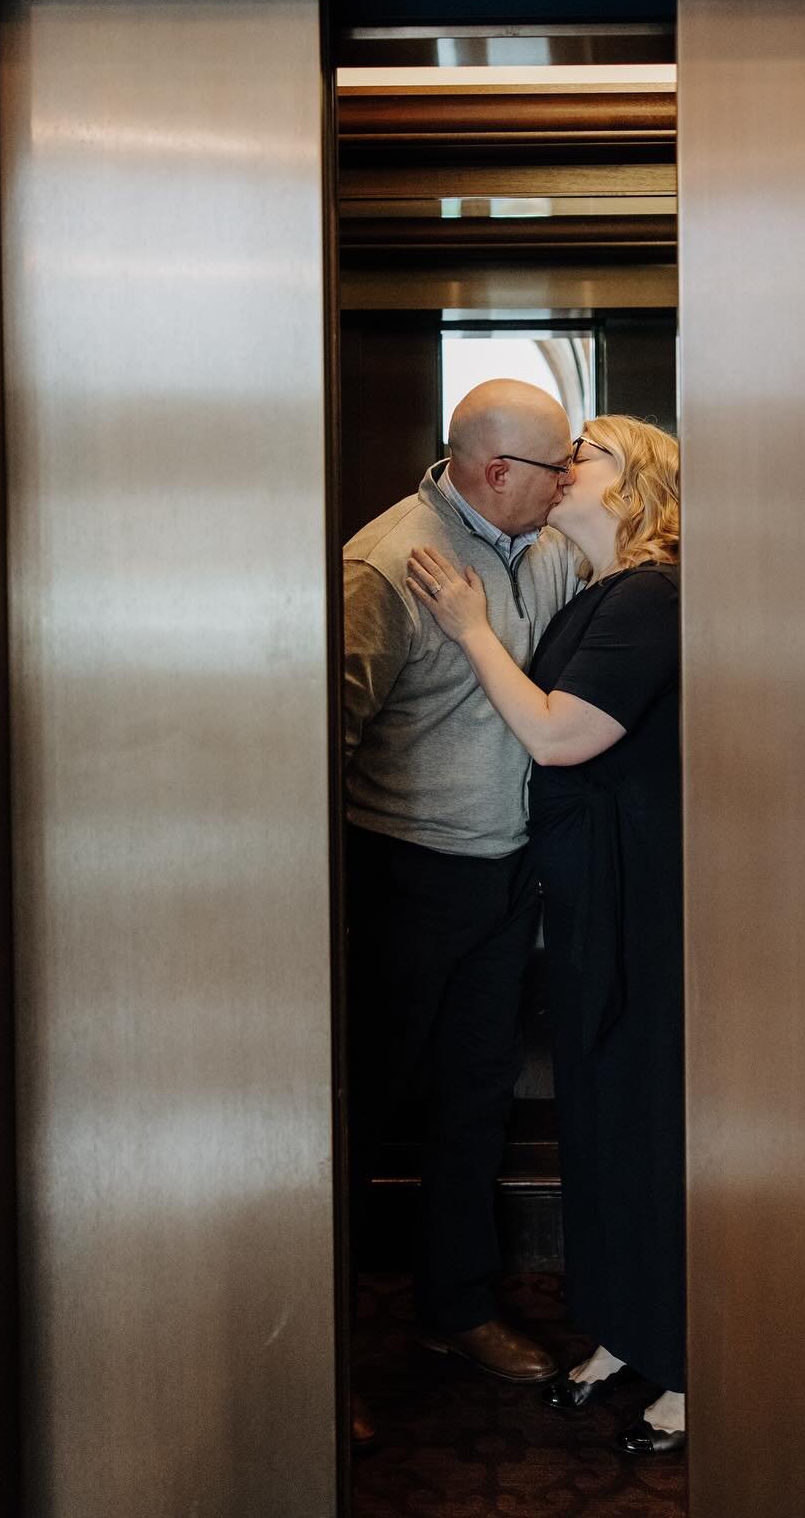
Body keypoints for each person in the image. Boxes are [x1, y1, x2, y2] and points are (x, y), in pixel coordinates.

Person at [406, 414, 685, 1457]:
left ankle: (689, 1363)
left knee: (645, 1120)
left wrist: (470, 623)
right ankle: (625, 1329)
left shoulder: (653, 595)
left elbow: (561, 733)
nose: (569, 466)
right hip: (588, 889)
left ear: (635, 487)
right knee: (603, 1118)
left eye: (591, 454)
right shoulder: (605, 590)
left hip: (637, 897)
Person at [342, 378, 584, 1444]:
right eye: (556, 465)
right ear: (496, 473)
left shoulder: (550, 550)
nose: (572, 479)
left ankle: (454, 1311)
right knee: (355, 1123)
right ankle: (327, 1352)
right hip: (400, 879)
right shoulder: (385, 564)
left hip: (505, 874)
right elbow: (326, 737)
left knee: (472, 1108)